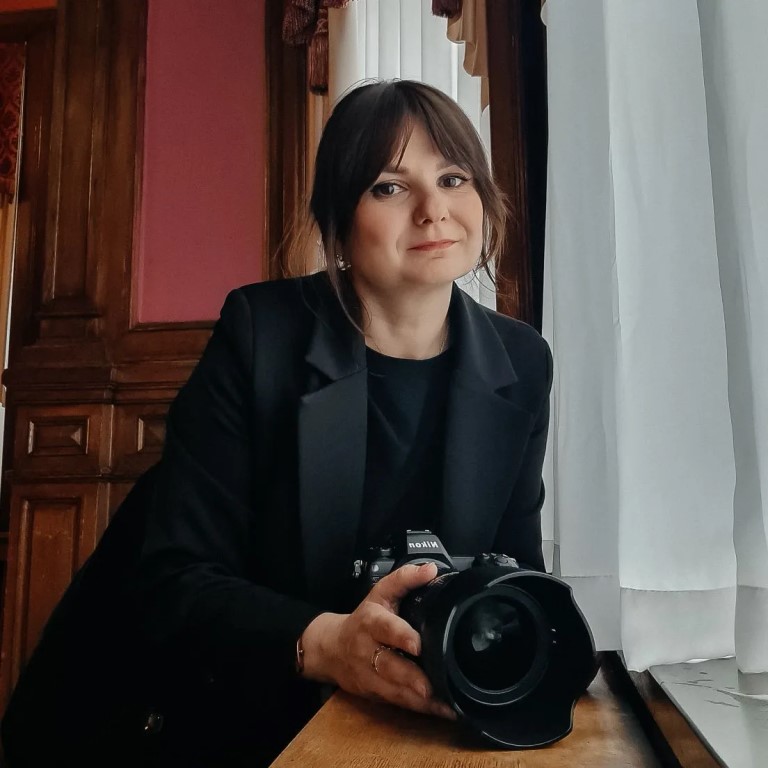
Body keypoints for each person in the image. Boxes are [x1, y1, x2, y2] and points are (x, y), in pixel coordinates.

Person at [1, 79, 552, 767]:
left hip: (400, 720)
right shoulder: (262, 335)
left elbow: (514, 569)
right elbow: (174, 579)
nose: (433, 209)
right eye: (389, 186)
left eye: (453, 178)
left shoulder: (521, 361)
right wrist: (329, 644)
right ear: (339, 220)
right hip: (215, 711)